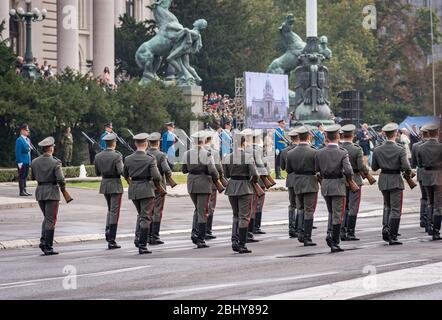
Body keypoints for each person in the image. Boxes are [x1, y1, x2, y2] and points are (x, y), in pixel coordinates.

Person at [371, 123, 413, 246]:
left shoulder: (378, 149)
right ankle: (392, 235)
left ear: (384, 134)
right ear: (395, 134)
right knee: (395, 209)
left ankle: (385, 229)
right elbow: (406, 167)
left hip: (384, 179)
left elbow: (374, 167)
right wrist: (407, 173)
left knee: (387, 206)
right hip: (395, 179)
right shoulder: (400, 149)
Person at [316, 124, 354, 253]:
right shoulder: (342, 152)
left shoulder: (319, 152)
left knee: (331, 212)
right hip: (338, 185)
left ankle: (329, 233)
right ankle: (335, 242)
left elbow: (317, 170)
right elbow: (349, 170)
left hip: (326, 185)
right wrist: (348, 179)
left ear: (326, 136)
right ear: (338, 136)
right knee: (338, 214)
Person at [124, 133, 162, 254]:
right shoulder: (150, 158)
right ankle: (142, 245)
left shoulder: (128, 158)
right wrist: (157, 185)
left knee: (141, 214)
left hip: (134, 189)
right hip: (146, 189)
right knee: (145, 216)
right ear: (146, 144)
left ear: (135, 144)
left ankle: (138, 238)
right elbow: (157, 176)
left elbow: (125, 174)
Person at [182, 131, 220, 249]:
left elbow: (184, 170)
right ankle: (200, 239)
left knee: (198, 209)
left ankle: (195, 233)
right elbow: (212, 170)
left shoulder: (187, 154)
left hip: (192, 183)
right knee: (203, 211)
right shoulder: (207, 154)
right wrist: (217, 177)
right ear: (203, 141)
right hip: (204, 183)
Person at [223, 132, 259, 254]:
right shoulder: (248, 156)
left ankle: (234, 240)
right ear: (244, 143)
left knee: (235, 215)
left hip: (232, 186)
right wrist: (253, 181)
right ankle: (242, 244)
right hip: (244, 187)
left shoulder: (228, 156)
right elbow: (254, 174)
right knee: (244, 216)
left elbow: (226, 174)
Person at [30, 137, 66, 256]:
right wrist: (63, 188)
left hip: (40, 191)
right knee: (51, 219)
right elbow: (61, 179)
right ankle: (48, 246)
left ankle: (43, 241)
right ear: (51, 148)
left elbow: (32, 177)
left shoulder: (34, 162)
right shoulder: (55, 162)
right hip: (51, 192)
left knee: (46, 218)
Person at [286, 126, 319, 246]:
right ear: (309, 137)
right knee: (309, 210)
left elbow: (289, 170)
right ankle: (307, 237)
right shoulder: (314, 151)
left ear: (298, 137)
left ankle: (300, 232)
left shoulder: (290, 153)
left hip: (297, 182)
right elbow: (317, 168)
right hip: (310, 182)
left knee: (300, 209)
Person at [340, 124, 371, 241]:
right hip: (355, 180)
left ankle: (342, 231)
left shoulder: (339, 148)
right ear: (353, 136)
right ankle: (351, 232)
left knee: (344, 206)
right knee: (353, 207)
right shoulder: (357, 149)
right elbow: (361, 166)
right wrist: (367, 173)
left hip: (342, 181)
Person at [94, 133, 124, 250]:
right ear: (114, 143)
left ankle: (108, 230)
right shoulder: (117, 156)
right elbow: (121, 171)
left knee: (110, 209)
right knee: (114, 211)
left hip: (105, 184)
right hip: (115, 185)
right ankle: (111, 239)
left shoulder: (98, 156)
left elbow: (97, 173)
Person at [147, 132, 174, 245]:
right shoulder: (161, 155)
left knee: (148, 211)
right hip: (159, 186)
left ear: (149, 143)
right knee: (157, 211)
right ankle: (155, 236)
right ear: (158, 143)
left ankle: (147, 235)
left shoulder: (145, 154)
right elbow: (167, 170)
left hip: (147, 186)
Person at [417, 123, 442, 240]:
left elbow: (419, 163)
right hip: (438, 176)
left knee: (429, 202)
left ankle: (429, 226)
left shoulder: (421, 147)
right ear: (437, 133)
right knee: (438, 205)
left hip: (426, 176)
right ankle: (436, 231)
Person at [247, 129, 270, 237]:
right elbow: (264, 164)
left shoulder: (246, 149)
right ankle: (256, 226)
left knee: (251, 203)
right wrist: (267, 175)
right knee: (258, 204)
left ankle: (251, 226)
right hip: (259, 179)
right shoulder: (259, 150)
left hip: (248, 179)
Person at [203, 133, 224, 240]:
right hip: (211, 182)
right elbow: (218, 169)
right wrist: (220, 178)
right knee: (210, 207)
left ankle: (199, 231)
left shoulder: (192, 153)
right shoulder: (214, 153)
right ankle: (207, 230)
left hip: (198, 183)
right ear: (210, 140)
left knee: (200, 208)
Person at [280, 129, 300, 238]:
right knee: (301, 205)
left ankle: (291, 228)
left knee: (292, 205)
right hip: (302, 179)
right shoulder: (304, 149)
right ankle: (298, 227)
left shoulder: (284, 151)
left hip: (291, 179)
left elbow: (283, 167)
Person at [411, 126, 430, 230]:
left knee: (424, 197)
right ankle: (430, 221)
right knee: (431, 198)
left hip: (421, 173)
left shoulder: (415, 146)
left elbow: (413, 163)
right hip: (433, 173)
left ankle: (423, 220)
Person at [15, 124, 33, 197]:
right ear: (22, 131)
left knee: (25, 176)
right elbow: (17, 152)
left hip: (27, 161)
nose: (28, 132)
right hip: (22, 161)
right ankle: (21, 191)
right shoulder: (19, 140)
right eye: (26, 130)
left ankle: (25, 190)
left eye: (28, 130)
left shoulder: (27, 139)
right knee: (22, 176)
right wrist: (19, 162)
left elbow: (29, 149)